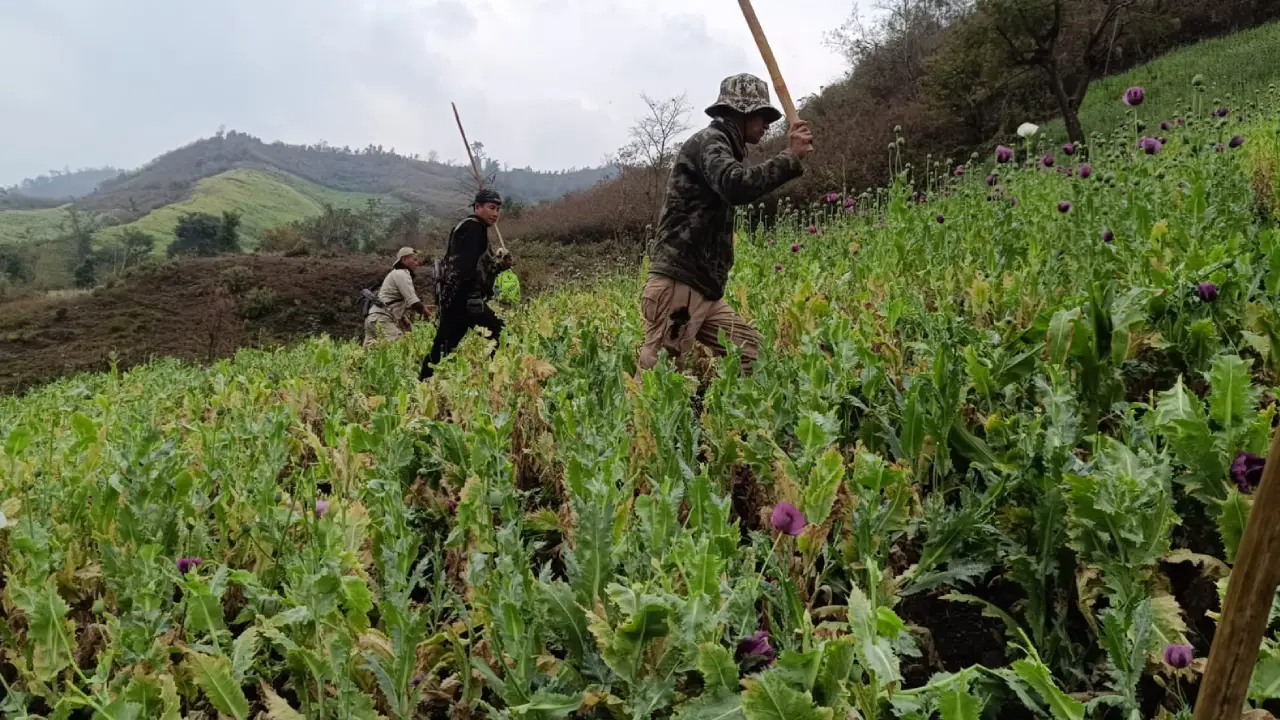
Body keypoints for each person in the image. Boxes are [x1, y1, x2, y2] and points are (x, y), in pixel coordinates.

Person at [639, 73, 813, 374]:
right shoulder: (710, 142)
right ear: (740, 113)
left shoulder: (723, 147)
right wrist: (790, 157)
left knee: (753, 357)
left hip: (702, 287)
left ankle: (734, 419)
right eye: (761, 116)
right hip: (680, 284)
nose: (766, 125)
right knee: (658, 380)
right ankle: (637, 423)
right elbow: (736, 185)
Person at [419, 189, 513, 380]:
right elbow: (464, 268)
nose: (495, 213)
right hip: (465, 301)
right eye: (491, 208)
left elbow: (475, 266)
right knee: (502, 335)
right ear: (478, 207)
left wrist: (499, 265)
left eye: (498, 209)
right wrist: (472, 296)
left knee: (441, 350)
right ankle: (495, 379)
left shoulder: (470, 228)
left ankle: (423, 383)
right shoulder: (473, 228)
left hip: (456, 302)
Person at [363, 246, 429, 347]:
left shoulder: (395, 274)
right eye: (414, 259)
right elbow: (414, 302)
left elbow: (392, 300)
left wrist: (403, 318)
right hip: (382, 318)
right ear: (404, 259)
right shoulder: (401, 274)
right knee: (401, 347)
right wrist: (429, 316)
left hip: (372, 318)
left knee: (367, 356)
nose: (417, 263)